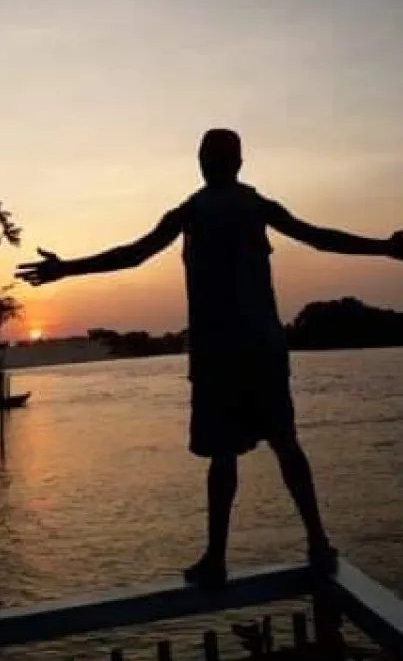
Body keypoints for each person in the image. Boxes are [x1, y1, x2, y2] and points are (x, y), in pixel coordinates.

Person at [16, 129, 403, 590]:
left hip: (227, 353)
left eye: (212, 154)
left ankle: (233, 555)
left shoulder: (199, 211)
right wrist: (384, 247)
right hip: (255, 349)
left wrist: (67, 269)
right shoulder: (234, 208)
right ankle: (310, 543)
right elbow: (318, 238)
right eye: (208, 154)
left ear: (225, 161)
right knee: (279, 445)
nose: (209, 161)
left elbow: (135, 255)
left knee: (235, 455)